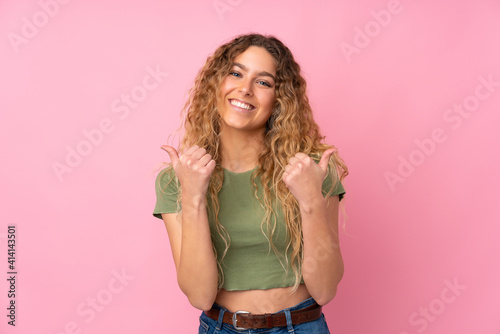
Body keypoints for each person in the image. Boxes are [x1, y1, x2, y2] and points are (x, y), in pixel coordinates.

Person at [153, 33, 348, 333]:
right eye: (236, 73)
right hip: (222, 327)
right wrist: (193, 196)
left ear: (280, 100)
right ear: (216, 84)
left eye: (263, 82)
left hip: (302, 325)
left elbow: (325, 290)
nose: (245, 89)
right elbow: (200, 295)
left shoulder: (312, 171)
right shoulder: (179, 178)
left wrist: (310, 200)